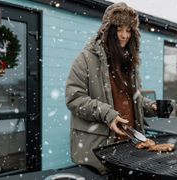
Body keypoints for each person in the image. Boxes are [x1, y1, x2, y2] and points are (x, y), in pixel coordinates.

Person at [65, 2, 157, 174]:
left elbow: (132, 98)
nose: (124, 35)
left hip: (130, 144)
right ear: (108, 30)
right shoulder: (86, 59)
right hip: (100, 147)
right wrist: (107, 114)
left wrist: (150, 106)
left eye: (129, 30)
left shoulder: (130, 62)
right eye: (119, 29)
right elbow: (74, 98)